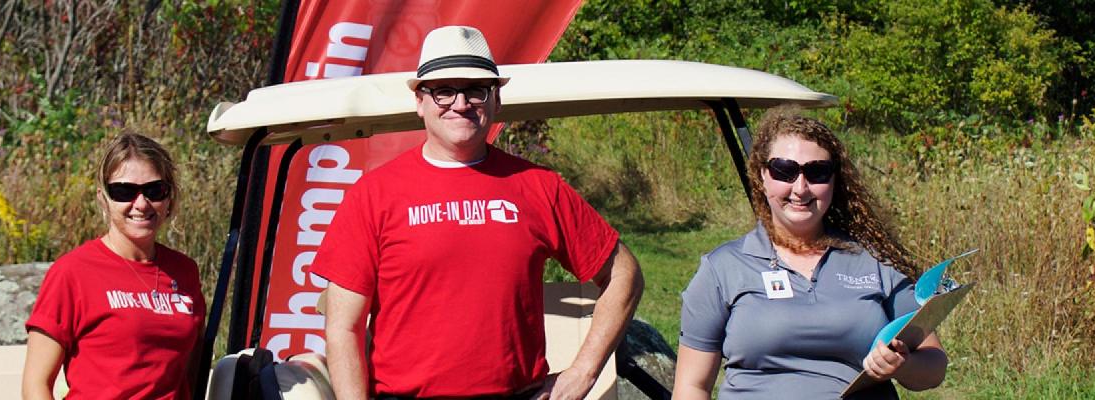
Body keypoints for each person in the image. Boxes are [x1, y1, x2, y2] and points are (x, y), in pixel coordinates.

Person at [312, 26, 644, 400]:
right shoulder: (373, 195)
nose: (460, 103)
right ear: (420, 101)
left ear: (496, 99)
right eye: (444, 90)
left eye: (475, 89)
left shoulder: (538, 186)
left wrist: (582, 373)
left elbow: (623, 274)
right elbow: (344, 327)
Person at [672, 108, 948, 399]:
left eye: (817, 172)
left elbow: (934, 365)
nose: (800, 188)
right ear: (762, 176)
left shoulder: (875, 261)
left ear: (834, 180)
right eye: (785, 170)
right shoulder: (723, 268)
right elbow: (692, 387)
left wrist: (901, 365)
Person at [22, 133, 205, 399]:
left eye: (155, 190)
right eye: (124, 192)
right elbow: (34, 386)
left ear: (169, 197)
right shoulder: (72, 272)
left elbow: (191, 374)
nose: (141, 204)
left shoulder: (185, 271)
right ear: (103, 198)